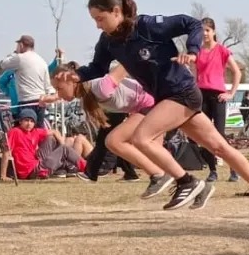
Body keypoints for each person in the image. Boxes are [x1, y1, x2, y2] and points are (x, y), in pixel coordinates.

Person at [76, 0, 249, 215]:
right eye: (94, 20)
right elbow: (97, 68)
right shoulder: (108, 41)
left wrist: (192, 51)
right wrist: (76, 75)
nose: (97, 25)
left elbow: (191, 23)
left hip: (182, 92)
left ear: (116, 11)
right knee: (219, 147)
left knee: (142, 138)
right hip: (168, 99)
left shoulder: (147, 26)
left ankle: (186, 182)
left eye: (100, 18)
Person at [47, 63, 177, 196]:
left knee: (114, 141)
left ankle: (159, 175)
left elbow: (127, 63)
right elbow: (63, 95)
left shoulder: (101, 87)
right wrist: (50, 98)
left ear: (73, 82)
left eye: (59, 88)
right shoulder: (86, 92)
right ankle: (185, 182)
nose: (58, 93)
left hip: (152, 103)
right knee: (155, 154)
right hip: (147, 106)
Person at [195, 17, 243, 183]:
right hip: (202, 95)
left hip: (218, 96)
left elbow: (237, 72)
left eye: (207, 30)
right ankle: (212, 170)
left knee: (220, 135)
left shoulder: (222, 50)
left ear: (213, 31)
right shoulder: (198, 51)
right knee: (205, 136)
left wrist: (231, 93)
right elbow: (195, 75)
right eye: (202, 31)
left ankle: (233, 168)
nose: (205, 34)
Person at [0, 108, 86, 181]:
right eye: (26, 120)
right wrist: (3, 175)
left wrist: (61, 145)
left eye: (32, 121)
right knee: (64, 149)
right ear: (20, 121)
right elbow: (6, 152)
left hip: (37, 163)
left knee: (50, 138)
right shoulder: (15, 132)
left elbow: (55, 132)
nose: (29, 123)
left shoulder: (34, 131)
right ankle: (86, 168)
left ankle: (67, 165)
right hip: (32, 171)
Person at [0, 35, 53, 121]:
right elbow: (47, 84)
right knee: (38, 130)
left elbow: (4, 64)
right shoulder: (42, 61)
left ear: (21, 45)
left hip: (26, 101)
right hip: (40, 101)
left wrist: (16, 53)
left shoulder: (20, 58)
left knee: (25, 131)